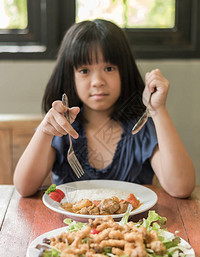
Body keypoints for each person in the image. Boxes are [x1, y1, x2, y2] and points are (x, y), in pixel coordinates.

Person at [14, 19, 195, 198]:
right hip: (70, 227)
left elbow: (181, 188)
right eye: (84, 71)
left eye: (109, 68)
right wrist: (45, 132)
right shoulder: (59, 130)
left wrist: (158, 109)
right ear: (70, 77)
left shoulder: (142, 130)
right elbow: (24, 187)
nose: (98, 81)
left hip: (133, 227)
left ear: (124, 72)